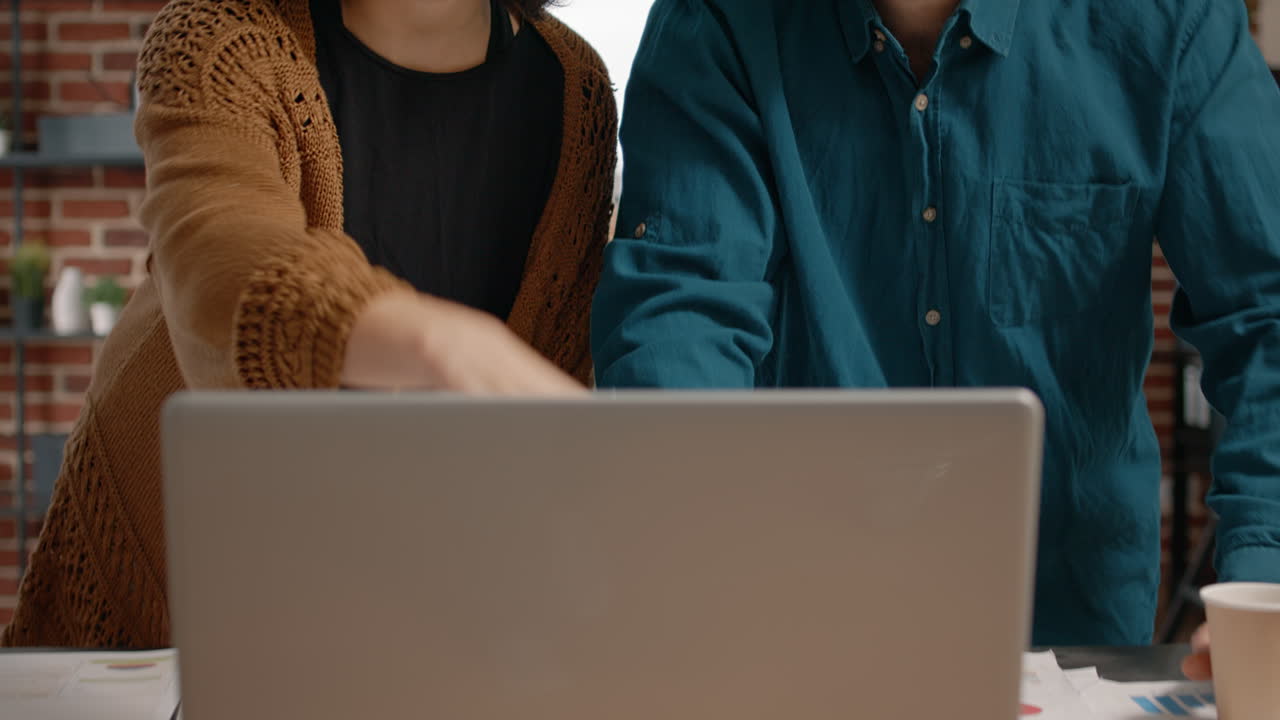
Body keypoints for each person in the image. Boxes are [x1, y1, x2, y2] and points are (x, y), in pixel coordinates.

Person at [592, 0, 1280, 671]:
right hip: (786, 615)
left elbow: (1266, 316)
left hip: (1067, 634)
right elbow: (683, 313)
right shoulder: (718, 18)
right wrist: (692, 552)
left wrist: (1266, 582)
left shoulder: (1168, 18)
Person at [3, 0, 616, 648]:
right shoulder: (219, 33)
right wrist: (445, 345)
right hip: (163, 605)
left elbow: (546, 395)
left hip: (407, 616)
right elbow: (224, 270)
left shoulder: (573, 85)